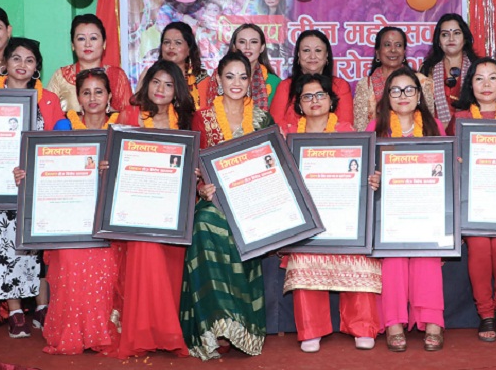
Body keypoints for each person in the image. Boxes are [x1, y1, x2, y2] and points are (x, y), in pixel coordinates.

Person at [0, 37, 61, 338]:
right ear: (5, 63)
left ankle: (42, 307)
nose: (22, 64)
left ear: (36, 68)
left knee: (38, 249)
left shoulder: (48, 100)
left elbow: (58, 143)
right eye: (16, 58)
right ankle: (16, 310)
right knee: (3, 249)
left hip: (36, 188)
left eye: (29, 60)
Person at [181, 51, 274, 360]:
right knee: (205, 223)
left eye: (243, 77)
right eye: (229, 76)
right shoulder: (203, 117)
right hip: (215, 202)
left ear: (251, 81)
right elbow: (194, 166)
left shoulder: (262, 118)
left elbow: (272, 164)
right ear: (219, 80)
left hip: (253, 204)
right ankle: (215, 323)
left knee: (243, 227)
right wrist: (201, 188)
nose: (236, 82)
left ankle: (239, 323)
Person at [100, 60, 195, 359]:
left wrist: (194, 173)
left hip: (173, 211)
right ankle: (144, 333)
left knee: (168, 264)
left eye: (168, 84)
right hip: (138, 210)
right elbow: (116, 158)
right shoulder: (130, 116)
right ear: (147, 84)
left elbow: (195, 163)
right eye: (156, 82)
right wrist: (108, 165)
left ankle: (165, 331)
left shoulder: (186, 123)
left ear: (177, 91)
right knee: (146, 247)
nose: (161, 89)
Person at [282, 73, 381, 353]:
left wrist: (372, 180)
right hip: (309, 219)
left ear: (331, 101)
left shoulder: (350, 133)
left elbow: (363, 174)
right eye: (307, 96)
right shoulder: (289, 137)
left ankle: (362, 326)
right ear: (299, 104)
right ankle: (311, 329)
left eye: (320, 95)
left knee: (357, 250)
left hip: (344, 214)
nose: (315, 101)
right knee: (304, 251)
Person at [33, 68, 120, 354]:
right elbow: (46, 167)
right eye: (86, 92)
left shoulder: (121, 129)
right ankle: (72, 331)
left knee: (107, 263)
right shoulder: (64, 127)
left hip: (108, 221)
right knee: (70, 260)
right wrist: (26, 173)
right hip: (69, 218)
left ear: (109, 96)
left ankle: (99, 332)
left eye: (99, 92)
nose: (93, 98)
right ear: (78, 98)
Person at [366, 67, 445, 352]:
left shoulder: (435, 127)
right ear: (387, 96)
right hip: (389, 214)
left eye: (409, 89)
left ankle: (432, 321)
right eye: (395, 90)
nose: (403, 95)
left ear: (419, 95)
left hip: (427, 210)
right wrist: (372, 180)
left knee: (427, 254)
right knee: (394, 256)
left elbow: (446, 169)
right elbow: (364, 173)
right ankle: (394, 322)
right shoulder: (374, 129)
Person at [448, 57, 496, 342]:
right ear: (470, 84)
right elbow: (450, 161)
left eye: (493, 77)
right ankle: (486, 313)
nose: (486, 84)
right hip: (474, 204)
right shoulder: (460, 118)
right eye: (479, 78)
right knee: (479, 247)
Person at [47, 14, 133, 113]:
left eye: (93, 38)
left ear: (104, 43)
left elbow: (128, 115)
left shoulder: (116, 76)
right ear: (73, 45)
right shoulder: (60, 77)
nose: (87, 44)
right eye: (81, 39)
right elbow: (47, 114)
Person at [354, 27, 434, 131]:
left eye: (398, 45)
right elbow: (361, 130)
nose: (393, 50)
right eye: (387, 45)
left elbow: (428, 120)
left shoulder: (421, 82)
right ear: (377, 53)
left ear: (404, 52)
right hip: (377, 139)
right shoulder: (365, 85)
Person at [269, 30, 353, 126]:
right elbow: (275, 125)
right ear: (298, 55)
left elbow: (345, 125)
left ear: (326, 55)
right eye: (306, 50)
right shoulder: (285, 86)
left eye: (318, 50)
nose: (312, 56)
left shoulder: (340, 86)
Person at [420, 14, 480, 130]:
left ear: (465, 38)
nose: (451, 39)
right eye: (445, 34)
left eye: (456, 33)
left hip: (470, 130)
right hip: (436, 131)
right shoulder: (427, 69)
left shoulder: (477, 67)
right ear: (438, 40)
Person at [206, 23, 281, 110]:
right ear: (234, 47)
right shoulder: (217, 79)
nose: (247, 47)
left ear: (262, 47)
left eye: (253, 42)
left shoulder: (275, 83)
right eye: (242, 42)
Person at [144, 21, 209, 110]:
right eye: (167, 42)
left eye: (178, 43)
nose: (171, 47)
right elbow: (139, 107)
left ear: (189, 49)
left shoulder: (202, 79)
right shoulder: (150, 75)